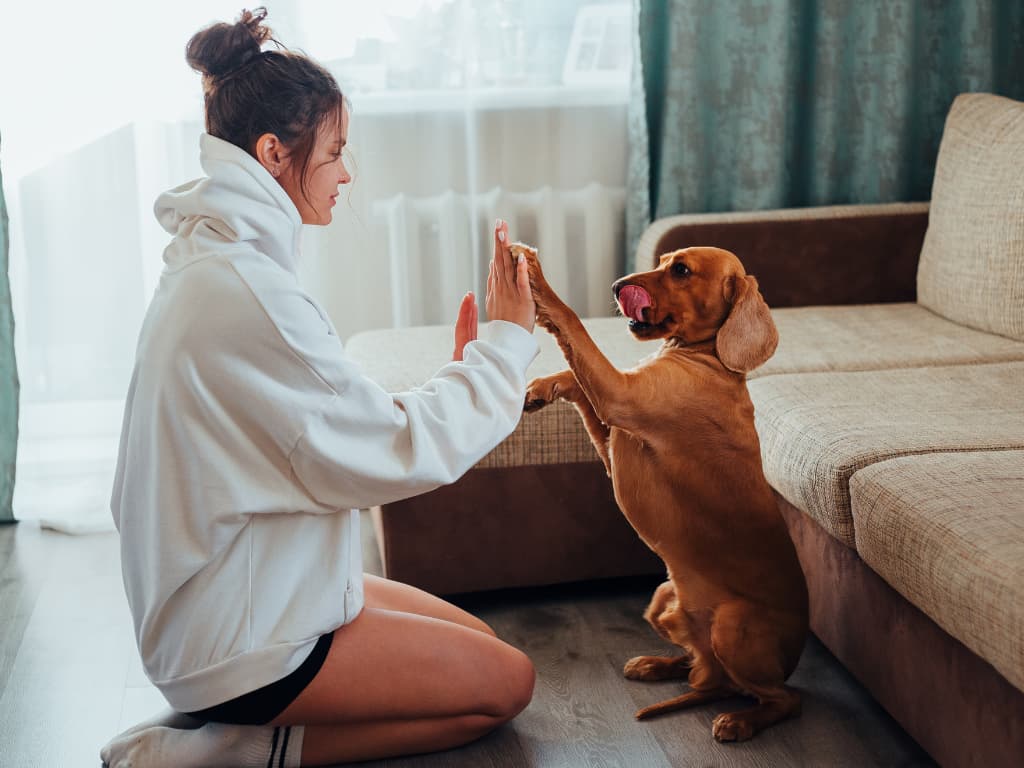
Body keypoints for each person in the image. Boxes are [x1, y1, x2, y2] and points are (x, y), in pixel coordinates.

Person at [100, 8, 538, 768]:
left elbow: (327, 423)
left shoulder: (223, 262)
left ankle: (233, 730)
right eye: (335, 152)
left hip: (239, 591)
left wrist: (465, 372)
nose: (348, 172)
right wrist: (505, 347)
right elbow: (391, 451)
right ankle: (228, 753)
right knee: (507, 683)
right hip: (235, 640)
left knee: (479, 647)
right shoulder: (245, 291)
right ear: (273, 153)